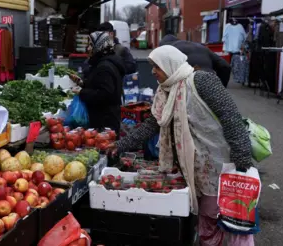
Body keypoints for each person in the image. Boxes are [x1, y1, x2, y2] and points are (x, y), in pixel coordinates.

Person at [108, 45, 254, 246]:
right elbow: (152, 124)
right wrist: (121, 144)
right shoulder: (165, 91)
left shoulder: (202, 81)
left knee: (220, 215)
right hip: (192, 166)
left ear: (169, 65)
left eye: (156, 66)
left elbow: (230, 117)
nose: (152, 71)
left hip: (219, 164)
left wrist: (242, 158)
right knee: (205, 215)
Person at [72, 31, 125, 134]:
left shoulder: (104, 67)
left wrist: (81, 92)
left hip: (104, 122)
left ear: (100, 45)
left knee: (103, 149)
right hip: (106, 118)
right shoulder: (103, 63)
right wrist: (82, 83)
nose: (88, 48)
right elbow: (99, 85)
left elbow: (104, 94)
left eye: (91, 45)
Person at [159, 34, 231, 87]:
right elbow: (225, 66)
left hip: (187, 86)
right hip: (210, 81)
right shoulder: (201, 47)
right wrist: (221, 86)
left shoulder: (168, 49)